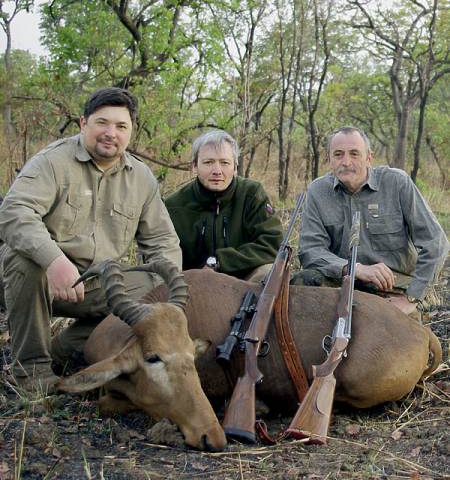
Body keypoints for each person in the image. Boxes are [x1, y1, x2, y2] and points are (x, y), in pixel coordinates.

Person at [0, 87, 181, 393]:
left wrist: (172, 293)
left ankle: (64, 349)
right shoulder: (52, 161)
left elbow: (162, 240)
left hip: (95, 283)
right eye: (102, 123)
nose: (111, 133)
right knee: (24, 260)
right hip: (39, 277)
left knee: (154, 289)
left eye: (121, 126)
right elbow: (15, 212)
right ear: (83, 123)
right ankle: (31, 371)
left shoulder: (142, 178)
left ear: (131, 132)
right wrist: (54, 260)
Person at [298, 126, 449, 316]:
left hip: (393, 286)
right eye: (338, 154)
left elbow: (436, 243)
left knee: (396, 330)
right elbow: (310, 250)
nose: (346, 162)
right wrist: (354, 268)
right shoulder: (317, 191)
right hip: (342, 282)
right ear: (329, 159)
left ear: (369, 158)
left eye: (354, 154)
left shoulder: (397, 183)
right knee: (302, 282)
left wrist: (412, 298)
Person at [165, 130, 283, 282]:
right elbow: (162, 254)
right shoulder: (173, 206)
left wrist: (220, 261)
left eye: (225, 163)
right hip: (190, 283)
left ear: (235, 167)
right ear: (194, 166)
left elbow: (273, 244)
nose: (217, 171)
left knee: (268, 273)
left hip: (244, 282)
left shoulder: (252, 194)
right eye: (208, 162)